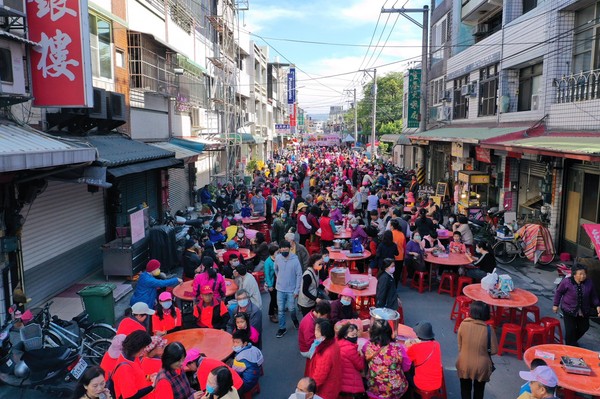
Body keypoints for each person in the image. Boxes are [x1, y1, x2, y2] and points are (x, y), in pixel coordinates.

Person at [456, 300, 498, 399]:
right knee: (479, 391)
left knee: (465, 389)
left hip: (464, 363)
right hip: (481, 367)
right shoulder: (489, 329)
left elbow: (460, 346)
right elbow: (494, 350)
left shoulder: (463, 324)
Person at [553, 263, 600, 346]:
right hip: (568, 309)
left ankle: (572, 341)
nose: (583, 276)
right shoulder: (566, 282)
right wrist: (555, 304)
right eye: (580, 274)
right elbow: (559, 292)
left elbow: (593, 295)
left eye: (584, 274)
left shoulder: (589, 282)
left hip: (583, 310)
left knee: (584, 327)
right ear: (574, 274)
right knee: (570, 330)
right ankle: (569, 346)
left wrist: (597, 306)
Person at [363, 319, 410, 399]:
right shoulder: (398, 347)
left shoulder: (367, 346)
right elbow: (406, 367)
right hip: (396, 388)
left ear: (372, 332)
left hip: (374, 387)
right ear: (389, 332)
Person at [110, 330, 154, 399]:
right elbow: (130, 397)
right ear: (137, 347)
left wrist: (149, 377)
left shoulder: (133, 357)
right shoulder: (125, 369)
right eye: (144, 347)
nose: (145, 350)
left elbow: (136, 376)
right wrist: (152, 386)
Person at [405, 321, 443, 394]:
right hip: (437, 383)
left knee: (405, 372)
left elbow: (406, 362)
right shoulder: (437, 344)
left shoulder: (415, 348)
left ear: (418, 335)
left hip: (421, 385)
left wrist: (408, 346)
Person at [307, 319, 342, 399]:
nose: (315, 333)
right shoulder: (333, 343)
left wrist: (310, 390)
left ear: (324, 335)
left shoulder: (326, 353)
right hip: (334, 382)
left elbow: (319, 376)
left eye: (317, 330)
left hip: (326, 390)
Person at [274, 240, 303, 338]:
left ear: (289, 248)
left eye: (286, 248)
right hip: (280, 289)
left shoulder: (295, 260)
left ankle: (294, 320)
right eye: (282, 248)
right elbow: (276, 269)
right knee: (281, 310)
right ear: (280, 249)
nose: (284, 250)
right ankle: (282, 328)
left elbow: (299, 275)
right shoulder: (277, 258)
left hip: (291, 290)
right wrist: (279, 278)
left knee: (292, 309)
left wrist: (296, 290)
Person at [298, 301, 331, 375]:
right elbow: (310, 344)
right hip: (307, 349)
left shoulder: (314, 317)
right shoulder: (309, 323)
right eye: (325, 316)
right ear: (319, 314)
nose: (326, 318)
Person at [336, 323, 365, 398]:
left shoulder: (338, 343)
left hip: (341, 380)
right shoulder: (350, 348)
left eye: (356, 335)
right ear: (345, 335)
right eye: (352, 335)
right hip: (351, 383)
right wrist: (361, 355)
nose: (355, 337)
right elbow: (360, 366)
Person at [231, 330, 264, 394]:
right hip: (256, 373)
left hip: (247, 383)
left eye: (237, 342)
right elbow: (261, 359)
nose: (234, 344)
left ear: (245, 343)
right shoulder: (254, 348)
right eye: (233, 342)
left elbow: (235, 372)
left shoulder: (240, 358)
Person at [264, 243, 279, 324]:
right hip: (272, 283)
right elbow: (267, 274)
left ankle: (276, 307)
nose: (279, 254)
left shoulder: (278, 259)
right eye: (277, 252)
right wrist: (270, 285)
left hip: (278, 281)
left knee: (277, 296)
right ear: (273, 253)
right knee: (273, 298)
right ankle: (271, 314)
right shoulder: (268, 262)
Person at [390, 219, 406, 285]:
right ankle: (395, 286)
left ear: (392, 226)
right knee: (397, 274)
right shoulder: (402, 234)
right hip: (400, 257)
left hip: (392, 257)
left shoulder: (390, 234)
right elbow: (404, 246)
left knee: (391, 274)